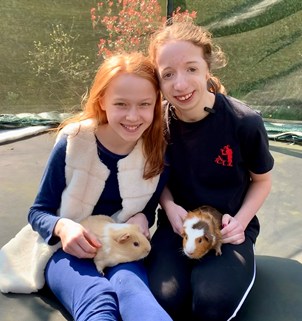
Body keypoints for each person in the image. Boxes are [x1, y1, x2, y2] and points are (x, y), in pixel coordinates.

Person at [0, 52, 172, 321]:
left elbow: (145, 211)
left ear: (156, 105)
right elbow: (38, 212)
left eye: (144, 104)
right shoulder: (74, 143)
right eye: (121, 104)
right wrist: (63, 227)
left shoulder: (156, 154)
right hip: (65, 252)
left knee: (133, 292)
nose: (133, 116)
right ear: (102, 101)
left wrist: (142, 218)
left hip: (118, 250)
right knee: (97, 297)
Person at [145, 19, 274, 321]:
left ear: (207, 68)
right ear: (159, 81)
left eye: (191, 69)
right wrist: (168, 204)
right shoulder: (155, 124)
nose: (180, 84)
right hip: (175, 229)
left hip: (227, 232)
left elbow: (262, 181)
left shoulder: (244, 122)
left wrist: (240, 223)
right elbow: (156, 174)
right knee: (162, 300)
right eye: (168, 74)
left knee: (212, 302)